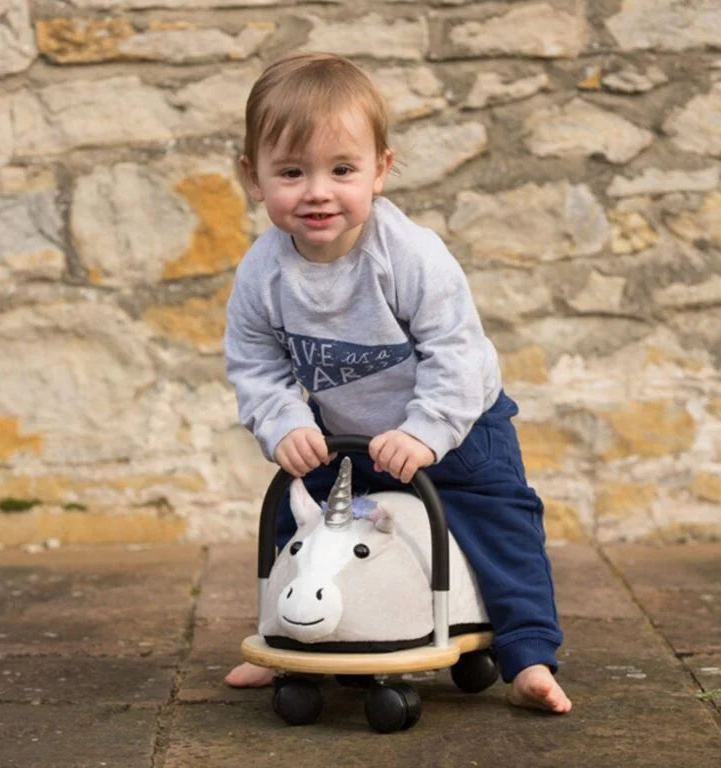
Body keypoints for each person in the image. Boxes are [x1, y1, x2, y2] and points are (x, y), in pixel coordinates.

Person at [223, 51, 571, 714]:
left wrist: (426, 432)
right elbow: (255, 364)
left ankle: (528, 653)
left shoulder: (407, 254)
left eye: (341, 170)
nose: (317, 191)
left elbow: (456, 353)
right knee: (297, 521)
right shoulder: (261, 274)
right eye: (291, 172)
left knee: (500, 525)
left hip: (457, 427)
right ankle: (285, 636)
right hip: (345, 435)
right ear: (253, 178)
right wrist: (284, 422)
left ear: (380, 169)